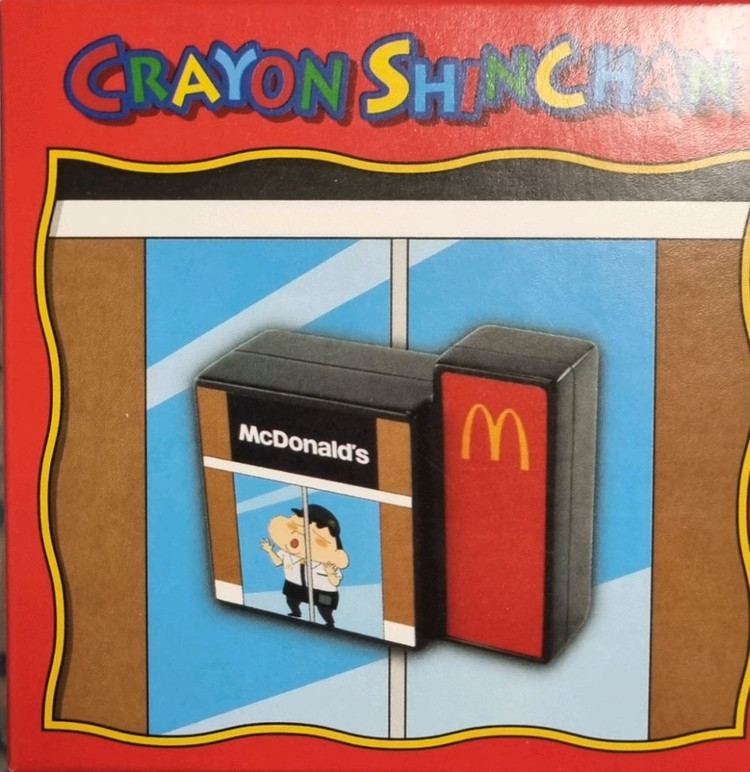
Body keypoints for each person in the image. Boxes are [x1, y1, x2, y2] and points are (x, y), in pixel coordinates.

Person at [260, 503, 349, 629]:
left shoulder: (326, 562)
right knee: (291, 601)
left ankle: (330, 623)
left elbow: (335, 582)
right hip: (295, 585)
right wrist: (270, 551)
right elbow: (278, 562)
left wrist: (330, 573)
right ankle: (296, 612)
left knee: (324, 610)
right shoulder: (288, 554)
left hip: (323, 591)